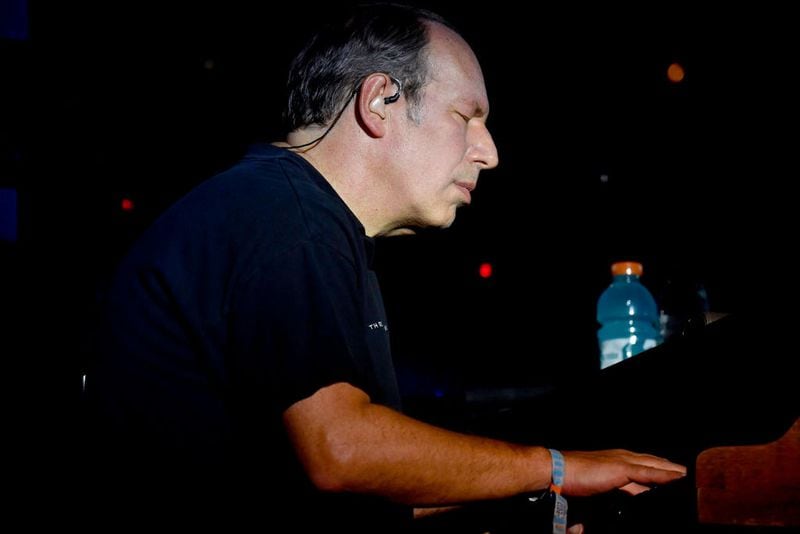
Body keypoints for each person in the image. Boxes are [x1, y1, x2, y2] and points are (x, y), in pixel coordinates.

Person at [85, 4, 686, 532]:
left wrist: (525, 493)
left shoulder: (296, 218)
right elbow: (342, 452)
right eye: (466, 116)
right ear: (380, 101)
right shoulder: (287, 219)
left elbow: (348, 488)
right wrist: (559, 469)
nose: (490, 151)